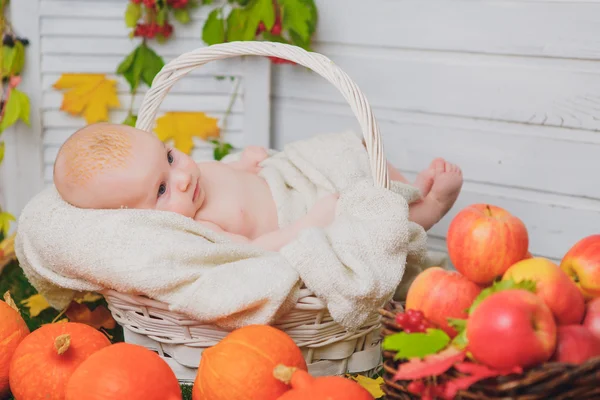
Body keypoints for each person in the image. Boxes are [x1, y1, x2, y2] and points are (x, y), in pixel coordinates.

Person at [53, 123, 463, 251]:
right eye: (161, 191)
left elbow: (221, 174)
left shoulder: (185, 182)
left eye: (171, 155)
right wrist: (309, 225)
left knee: (345, 147)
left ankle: (405, 186)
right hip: (299, 216)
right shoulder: (201, 232)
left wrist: (242, 165)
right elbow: (255, 254)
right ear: (140, 221)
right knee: (360, 220)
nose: (181, 176)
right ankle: (425, 210)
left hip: (282, 176)